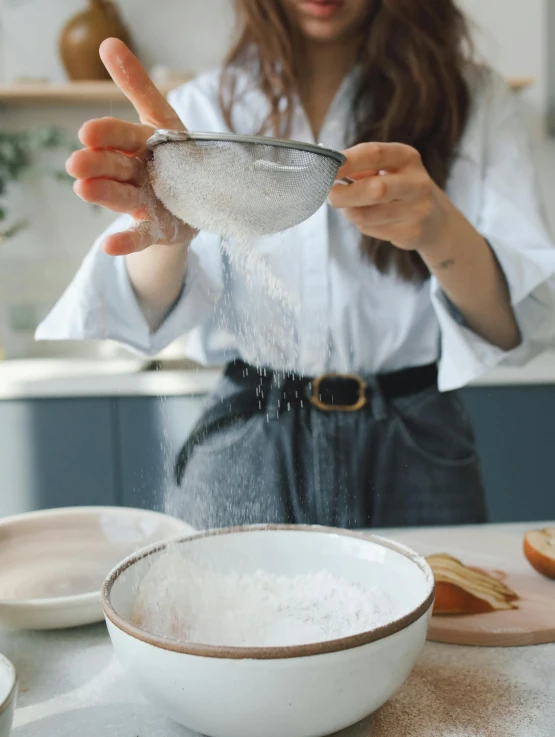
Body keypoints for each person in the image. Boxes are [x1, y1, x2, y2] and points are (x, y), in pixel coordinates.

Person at [38, 0, 555, 530]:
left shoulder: (474, 100)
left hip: (415, 442)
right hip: (249, 434)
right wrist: (169, 229)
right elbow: (137, 311)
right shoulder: (202, 107)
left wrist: (439, 228)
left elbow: (512, 324)